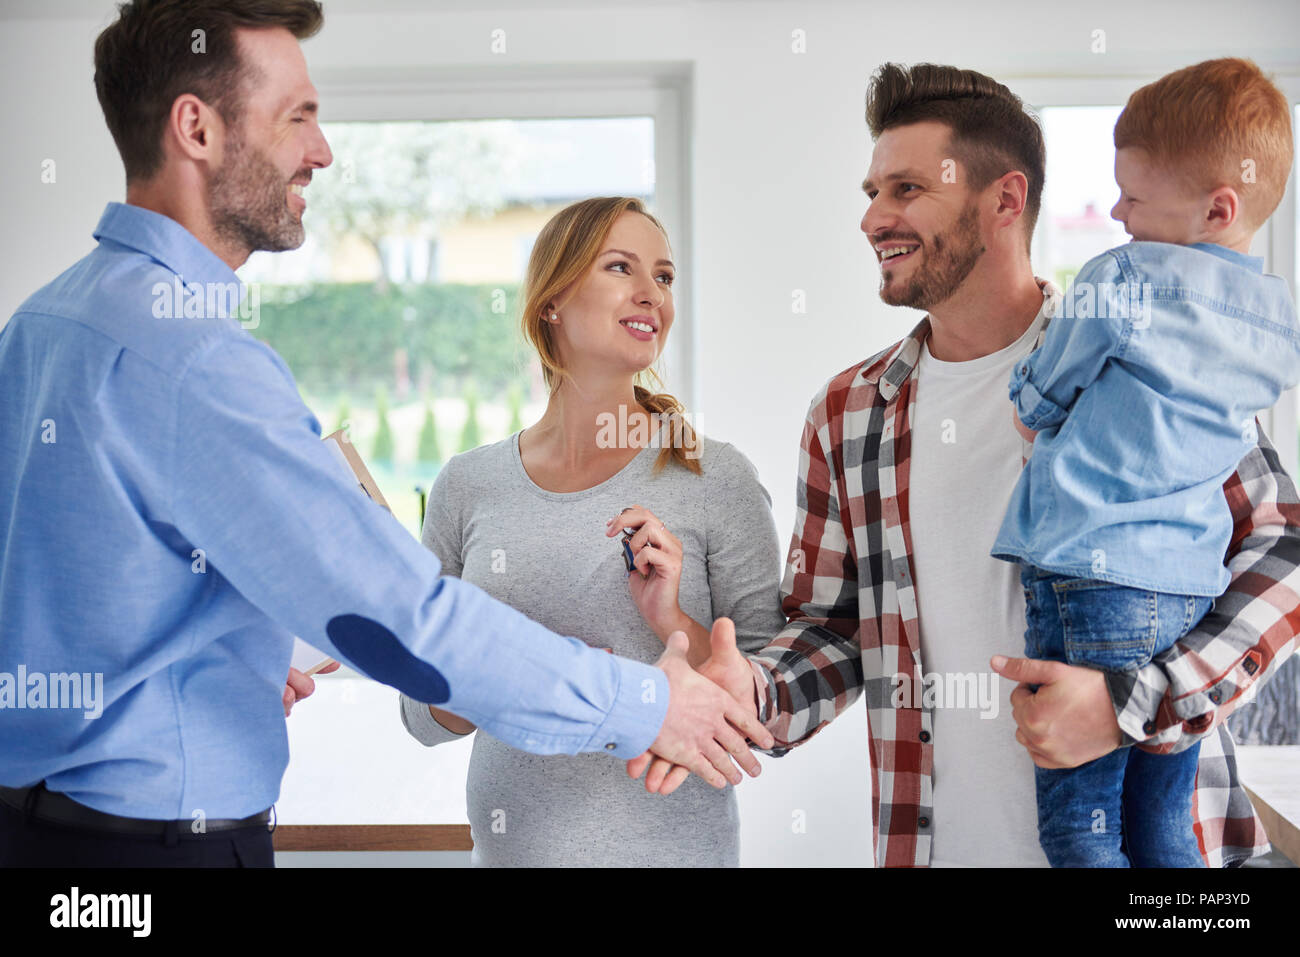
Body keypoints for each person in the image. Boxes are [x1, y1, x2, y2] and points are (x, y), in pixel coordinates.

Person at [0, 0, 771, 869]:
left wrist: (220, 649)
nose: (321, 151)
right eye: (298, 118)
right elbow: (406, 622)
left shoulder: (42, 326)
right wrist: (644, 701)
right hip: (156, 850)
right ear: (196, 128)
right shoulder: (196, 361)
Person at [629, 61, 1300, 869]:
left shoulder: (1146, 347)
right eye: (871, 193)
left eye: (906, 189)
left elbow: (1284, 551)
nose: (874, 218)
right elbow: (833, 629)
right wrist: (755, 692)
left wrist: (1132, 705)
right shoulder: (847, 413)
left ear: (1004, 201)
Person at [397, 196, 785, 867]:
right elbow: (420, 713)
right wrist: (519, 670)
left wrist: (670, 618)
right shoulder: (468, 485)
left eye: (663, 277)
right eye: (620, 267)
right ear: (553, 301)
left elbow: (769, 715)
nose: (651, 294)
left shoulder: (717, 478)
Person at [988, 58, 1300, 867]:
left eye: (1134, 195)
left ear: (1216, 208)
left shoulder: (1123, 275)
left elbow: (1047, 386)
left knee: (1081, 829)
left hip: (1091, 578)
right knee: (1164, 826)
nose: (1117, 211)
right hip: (1187, 593)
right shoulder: (1279, 322)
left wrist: (1032, 413)